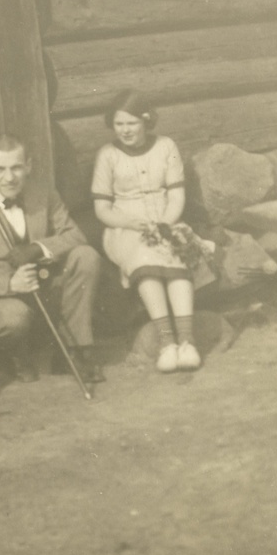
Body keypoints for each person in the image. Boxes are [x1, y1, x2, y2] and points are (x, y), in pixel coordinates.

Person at [0, 134, 104, 384]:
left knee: (86, 256)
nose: (9, 177)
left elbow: (75, 235)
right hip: (3, 299)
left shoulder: (43, 193)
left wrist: (38, 248)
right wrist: (9, 283)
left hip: (44, 285)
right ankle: (15, 356)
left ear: (28, 166)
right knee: (13, 318)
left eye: (16, 167)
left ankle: (73, 350)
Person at [91, 90, 205, 373]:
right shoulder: (107, 155)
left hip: (166, 221)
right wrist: (130, 223)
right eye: (119, 124)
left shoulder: (166, 147)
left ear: (146, 120)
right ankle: (167, 343)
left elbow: (176, 196)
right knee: (144, 259)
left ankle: (187, 342)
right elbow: (102, 210)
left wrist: (164, 224)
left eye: (131, 123)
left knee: (176, 257)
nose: (125, 130)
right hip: (124, 229)